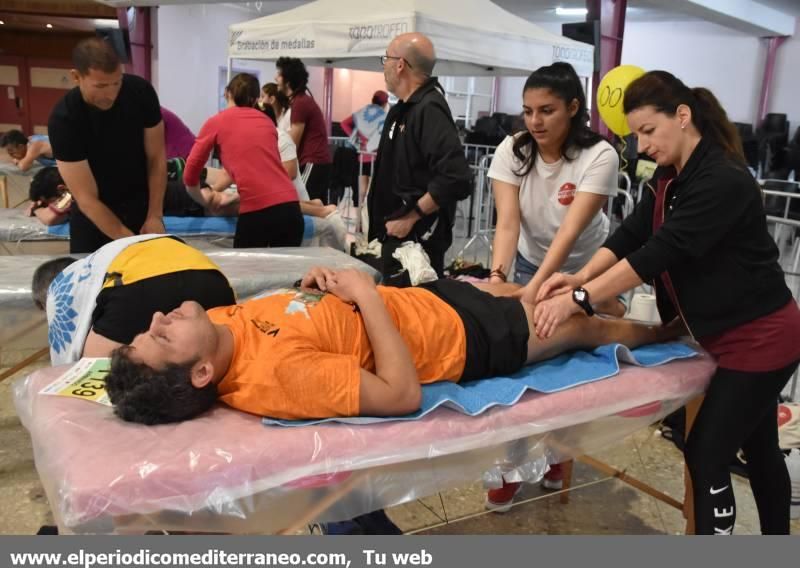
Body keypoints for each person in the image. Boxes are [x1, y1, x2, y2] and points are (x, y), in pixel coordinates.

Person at [532, 70, 800, 535]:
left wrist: (580, 299)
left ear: (682, 116)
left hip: (762, 338)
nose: (642, 145)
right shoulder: (670, 174)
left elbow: (659, 252)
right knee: (759, 450)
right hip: (727, 333)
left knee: (706, 453)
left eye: (648, 131)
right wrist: (581, 275)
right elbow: (633, 233)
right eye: (636, 134)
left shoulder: (722, 180)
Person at [104, 265, 680, 425]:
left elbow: (300, 319)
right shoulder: (275, 378)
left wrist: (317, 287)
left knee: (539, 290)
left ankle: (621, 303)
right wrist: (365, 293)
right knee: (581, 327)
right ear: (202, 374)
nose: (158, 316)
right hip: (459, 339)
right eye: (160, 335)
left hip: (434, 300)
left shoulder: (218, 323)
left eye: (149, 326)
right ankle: (668, 334)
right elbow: (401, 394)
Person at [489, 63, 623, 315]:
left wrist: (537, 287)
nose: (535, 121)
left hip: (589, 265)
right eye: (528, 112)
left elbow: (569, 232)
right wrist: (497, 278)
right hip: (532, 261)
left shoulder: (600, 155)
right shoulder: (512, 149)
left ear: (572, 108)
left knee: (592, 328)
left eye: (547, 111)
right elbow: (507, 224)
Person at [33, 235, 235, 363]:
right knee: (215, 360)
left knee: (92, 374)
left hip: (142, 286)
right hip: (210, 276)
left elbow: (66, 360)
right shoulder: (101, 261)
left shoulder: (60, 286)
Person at [47, 37, 166, 254]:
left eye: (116, 83)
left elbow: (156, 158)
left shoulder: (141, 93)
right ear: (76, 77)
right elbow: (86, 199)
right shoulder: (64, 119)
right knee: (95, 285)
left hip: (140, 205)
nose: (111, 93)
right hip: (93, 216)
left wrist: (154, 215)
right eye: (100, 86)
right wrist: (130, 242)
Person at [369, 33, 472, 279]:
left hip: (415, 243)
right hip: (394, 237)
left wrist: (412, 216)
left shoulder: (429, 108)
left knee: (412, 314)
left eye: (386, 59)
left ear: (400, 64)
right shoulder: (404, 108)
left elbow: (456, 177)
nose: (384, 66)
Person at [184, 73, 302, 248]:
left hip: (257, 214)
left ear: (226, 93)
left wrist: (205, 201)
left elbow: (189, 174)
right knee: (288, 275)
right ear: (255, 100)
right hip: (291, 209)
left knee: (246, 273)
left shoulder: (216, 122)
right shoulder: (267, 122)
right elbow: (260, 173)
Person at [28, 165, 238, 226]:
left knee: (229, 204)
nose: (51, 205)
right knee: (228, 201)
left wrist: (37, 208)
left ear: (59, 189)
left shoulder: (74, 187)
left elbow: (51, 218)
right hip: (180, 193)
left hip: (183, 198)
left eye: (50, 201)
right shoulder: (88, 174)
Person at [275, 57, 332, 203]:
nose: (275, 78)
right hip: (316, 162)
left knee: (304, 205)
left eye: (279, 75)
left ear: (287, 80)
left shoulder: (300, 103)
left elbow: (292, 142)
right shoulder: (300, 101)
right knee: (315, 207)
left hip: (313, 161)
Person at [340, 90, 389, 206]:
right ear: (385, 103)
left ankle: (359, 221)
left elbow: (343, 123)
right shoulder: (384, 116)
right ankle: (368, 220)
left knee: (361, 192)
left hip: (362, 157)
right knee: (372, 192)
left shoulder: (362, 112)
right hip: (376, 158)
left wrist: (356, 137)